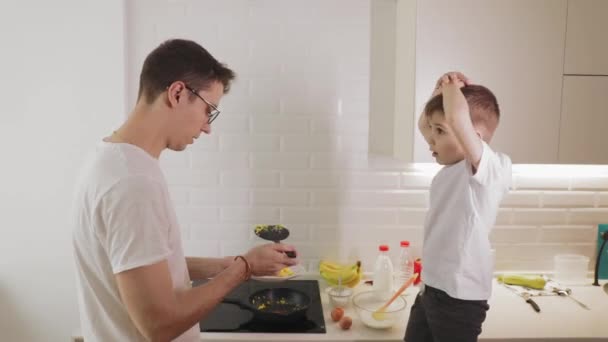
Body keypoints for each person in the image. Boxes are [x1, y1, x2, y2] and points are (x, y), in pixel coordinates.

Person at [71, 39, 299, 342]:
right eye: (209, 110)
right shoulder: (133, 184)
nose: (207, 127)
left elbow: (140, 270)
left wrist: (226, 265)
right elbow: (159, 325)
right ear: (178, 93)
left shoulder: (110, 160)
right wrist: (244, 269)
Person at [404, 72, 512, 342]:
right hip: (433, 289)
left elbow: (455, 118)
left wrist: (452, 87)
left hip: (459, 300)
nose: (431, 139)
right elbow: (426, 124)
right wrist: (438, 91)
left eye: (439, 132)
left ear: (473, 136)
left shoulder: (489, 168)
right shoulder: (453, 169)